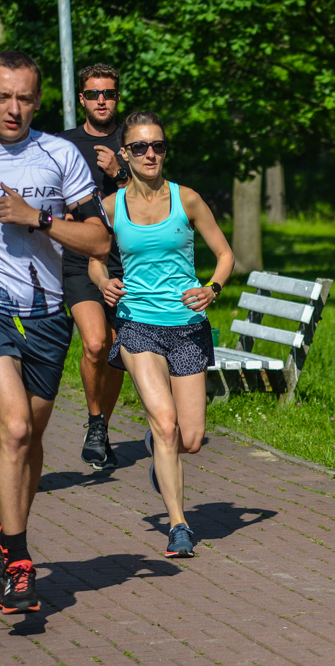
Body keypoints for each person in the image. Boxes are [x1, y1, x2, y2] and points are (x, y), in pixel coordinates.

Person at [0, 51, 110, 614]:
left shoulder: (60, 157)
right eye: (2, 97)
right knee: (11, 427)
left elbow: (99, 241)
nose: (14, 108)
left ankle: (5, 537)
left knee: (29, 440)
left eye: (25, 98)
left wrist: (39, 218)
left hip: (45, 314)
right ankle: (17, 554)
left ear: (38, 100)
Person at [89, 111, 233, 558]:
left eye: (157, 146)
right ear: (124, 155)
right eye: (139, 147)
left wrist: (212, 288)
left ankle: (158, 446)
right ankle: (179, 525)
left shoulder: (186, 199)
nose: (150, 154)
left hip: (187, 327)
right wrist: (102, 281)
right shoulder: (110, 207)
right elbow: (93, 258)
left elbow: (225, 254)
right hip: (137, 325)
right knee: (166, 424)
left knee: (189, 438)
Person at [59, 63, 130, 471]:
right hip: (81, 262)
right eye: (94, 93)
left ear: (117, 98)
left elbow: (154, 199)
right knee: (95, 343)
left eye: (109, 93)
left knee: (118, 351)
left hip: (127, 263)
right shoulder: (63, 145)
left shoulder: (134, 142)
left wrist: (119, 173)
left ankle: (103, 426)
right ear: (82, 99)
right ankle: (94, 421)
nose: (102, 100)